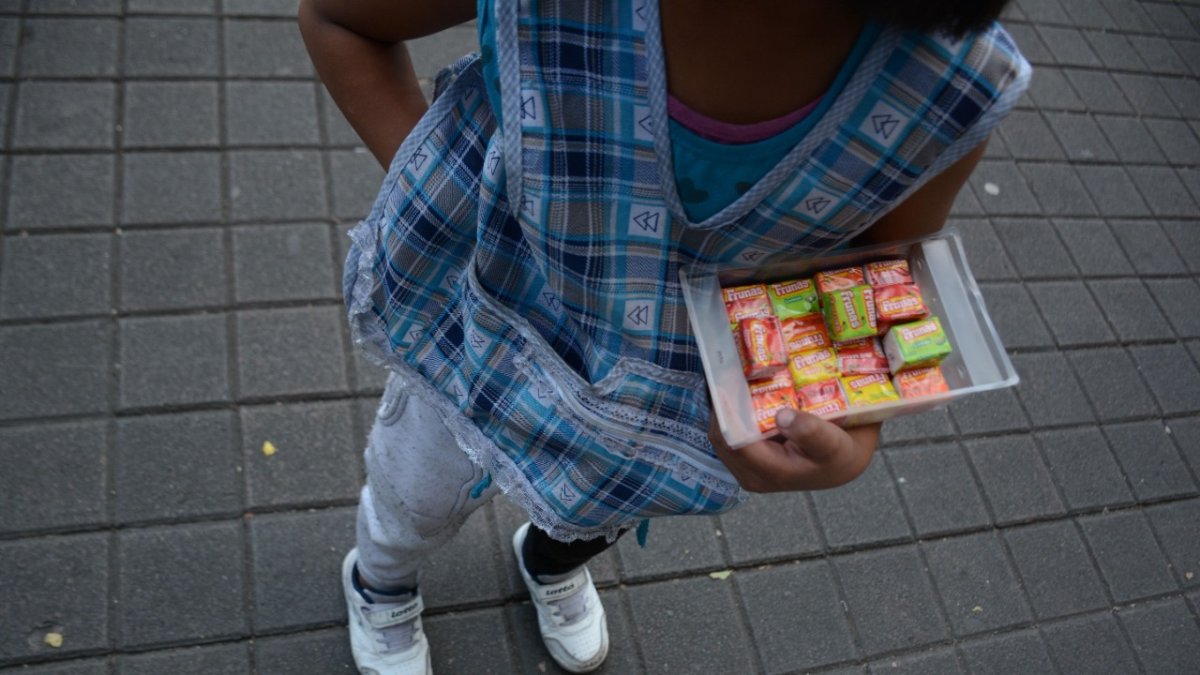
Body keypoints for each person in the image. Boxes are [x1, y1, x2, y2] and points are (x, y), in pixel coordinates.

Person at [299, 0, 1026, 672]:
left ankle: (552, 560)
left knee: (592, 514)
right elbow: (339, 18)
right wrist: (457, 212)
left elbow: (873, 283)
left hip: (650, 417)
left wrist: (852, 434)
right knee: (415, 493)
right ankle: (381, 578)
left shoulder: (949, 89)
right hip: (486, 338)